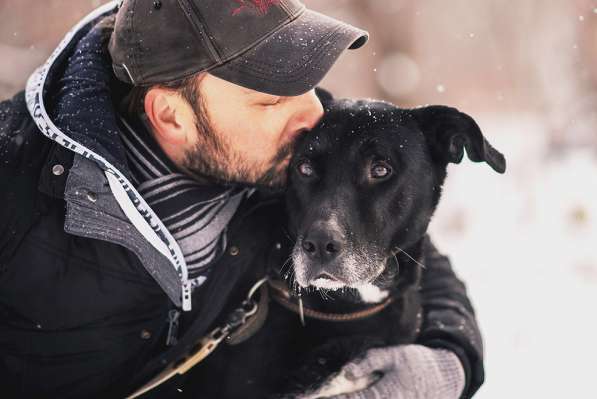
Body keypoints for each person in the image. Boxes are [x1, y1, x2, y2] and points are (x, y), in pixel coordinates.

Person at [0, 1, 484, 398]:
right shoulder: (14, 193)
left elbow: (407, 244)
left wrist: (450, 355)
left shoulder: (279, 148)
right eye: (270, 98)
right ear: (170, 115)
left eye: (305, 80)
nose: (312, 114)